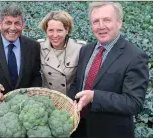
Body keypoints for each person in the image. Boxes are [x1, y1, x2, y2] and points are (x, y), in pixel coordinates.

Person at [68, 2, 149, 138]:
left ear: (119, 22)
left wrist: (94, 96)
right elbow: (78, 82)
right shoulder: (86, 50)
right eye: (95, 21)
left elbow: (134, 103)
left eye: (107, 20)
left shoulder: (135, 57)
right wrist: (70, 101)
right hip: (79, 127)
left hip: (110, 131)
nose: (101, 26)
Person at [0, 4, 42, 138]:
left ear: (23, 25)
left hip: (22, 113)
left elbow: (36, 75)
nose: (13, 28)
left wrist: (32, 94)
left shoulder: (33, 46)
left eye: (17, 23)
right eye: (8, 23)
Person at [38, 11, 86, 95]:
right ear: (46, 30)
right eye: (51, 30)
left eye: (59, 30)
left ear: (67, 30)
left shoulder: (80, 49)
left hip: (70, 99)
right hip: (47, 98)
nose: (55, 35)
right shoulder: (39, 47)